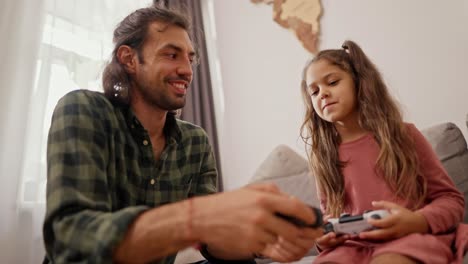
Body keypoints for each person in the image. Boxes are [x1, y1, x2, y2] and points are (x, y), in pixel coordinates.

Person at [42, 5, 323, 264]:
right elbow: (71, 239)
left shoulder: (195, 141)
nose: (187, 71)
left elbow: (211, 244)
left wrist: (258, 242)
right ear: (129, 59)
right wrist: (199, 217)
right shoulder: (83, 109)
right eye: (171, 54)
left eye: (190, 58)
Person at [299, 40, 466, 263]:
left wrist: (417, 221)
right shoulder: (323, 156)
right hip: (352, 247)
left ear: (360, 83)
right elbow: (329, 217)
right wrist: (323, 238)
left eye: (332, 82)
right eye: (314, 91)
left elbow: (450, 199)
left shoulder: (403, 135)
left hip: (410, 238)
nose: (322, 94)